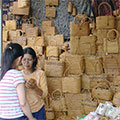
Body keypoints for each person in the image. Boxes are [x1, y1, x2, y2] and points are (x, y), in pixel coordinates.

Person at [0, 43, 36, 120]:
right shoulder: (17, 75)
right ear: (20, 59)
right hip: (16, 117)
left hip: (2, 117)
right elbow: (23, 103)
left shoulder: (1, 73)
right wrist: (31, 118)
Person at [21, 47, 48, 120]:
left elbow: (45, 94)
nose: (26, 63)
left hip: (38, 109)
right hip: (23, 111)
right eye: (24, 59)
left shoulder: (40, 74)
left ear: (34, 60)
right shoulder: (19, 75)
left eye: (29, 60)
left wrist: (35, 87)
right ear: (20, 60)